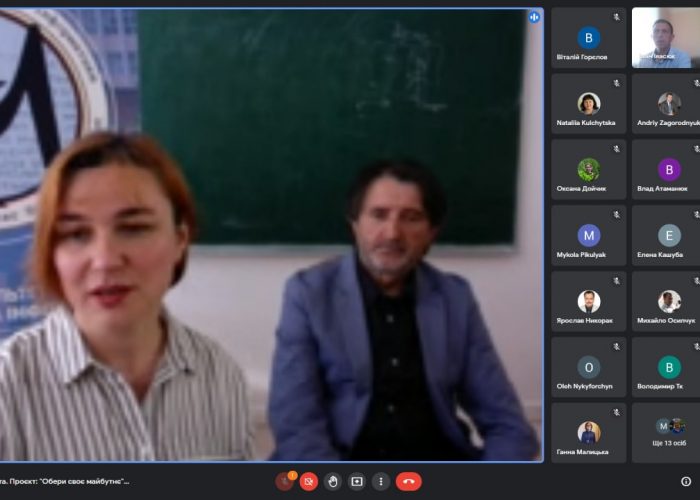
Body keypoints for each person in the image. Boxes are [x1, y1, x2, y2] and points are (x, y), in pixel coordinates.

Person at [0, 132, 252, 460]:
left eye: (133, 228)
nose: (105, 260)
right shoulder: (8, 383)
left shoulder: (219, 373)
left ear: (180, 241)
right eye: (76, 234)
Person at [268, 159, 538, 461]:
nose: (393, 233)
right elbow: (296, 427)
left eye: (411, 218)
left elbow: (507, 424)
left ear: (432, 232)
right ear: (355, 224)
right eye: (379, 215)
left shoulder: (454, 297)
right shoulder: (308, 293)